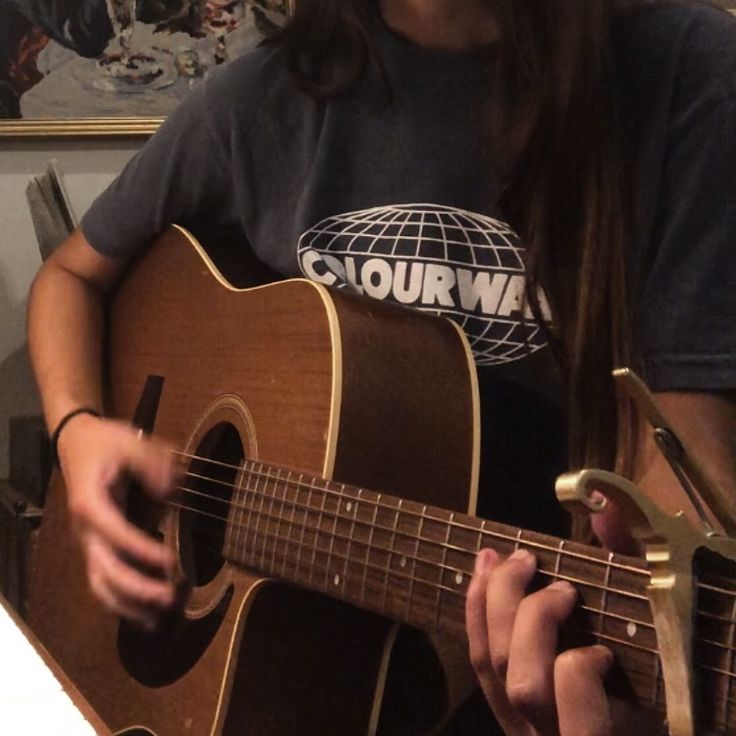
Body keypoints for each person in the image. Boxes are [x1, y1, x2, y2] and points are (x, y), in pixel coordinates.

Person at [26, 0, 736, 733]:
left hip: (520, 670)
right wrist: (76, 430)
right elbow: (68, 279)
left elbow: (687, 499)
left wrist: (654, 706)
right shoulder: (255, 103)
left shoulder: (684, 69)